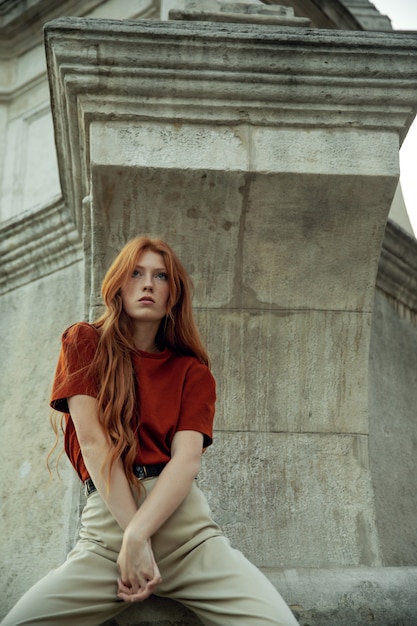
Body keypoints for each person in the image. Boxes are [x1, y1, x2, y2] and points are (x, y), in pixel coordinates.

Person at [1, 236, 298, 626]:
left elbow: (187, 459)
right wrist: (131, 539)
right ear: (118, 285)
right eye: (136, 273)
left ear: (172, 296)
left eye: (160, 276)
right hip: (109, 537)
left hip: (186, 537)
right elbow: (92, 442)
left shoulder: (192, 371)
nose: (147, 284)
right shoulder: (84, 342)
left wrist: (139, 536)